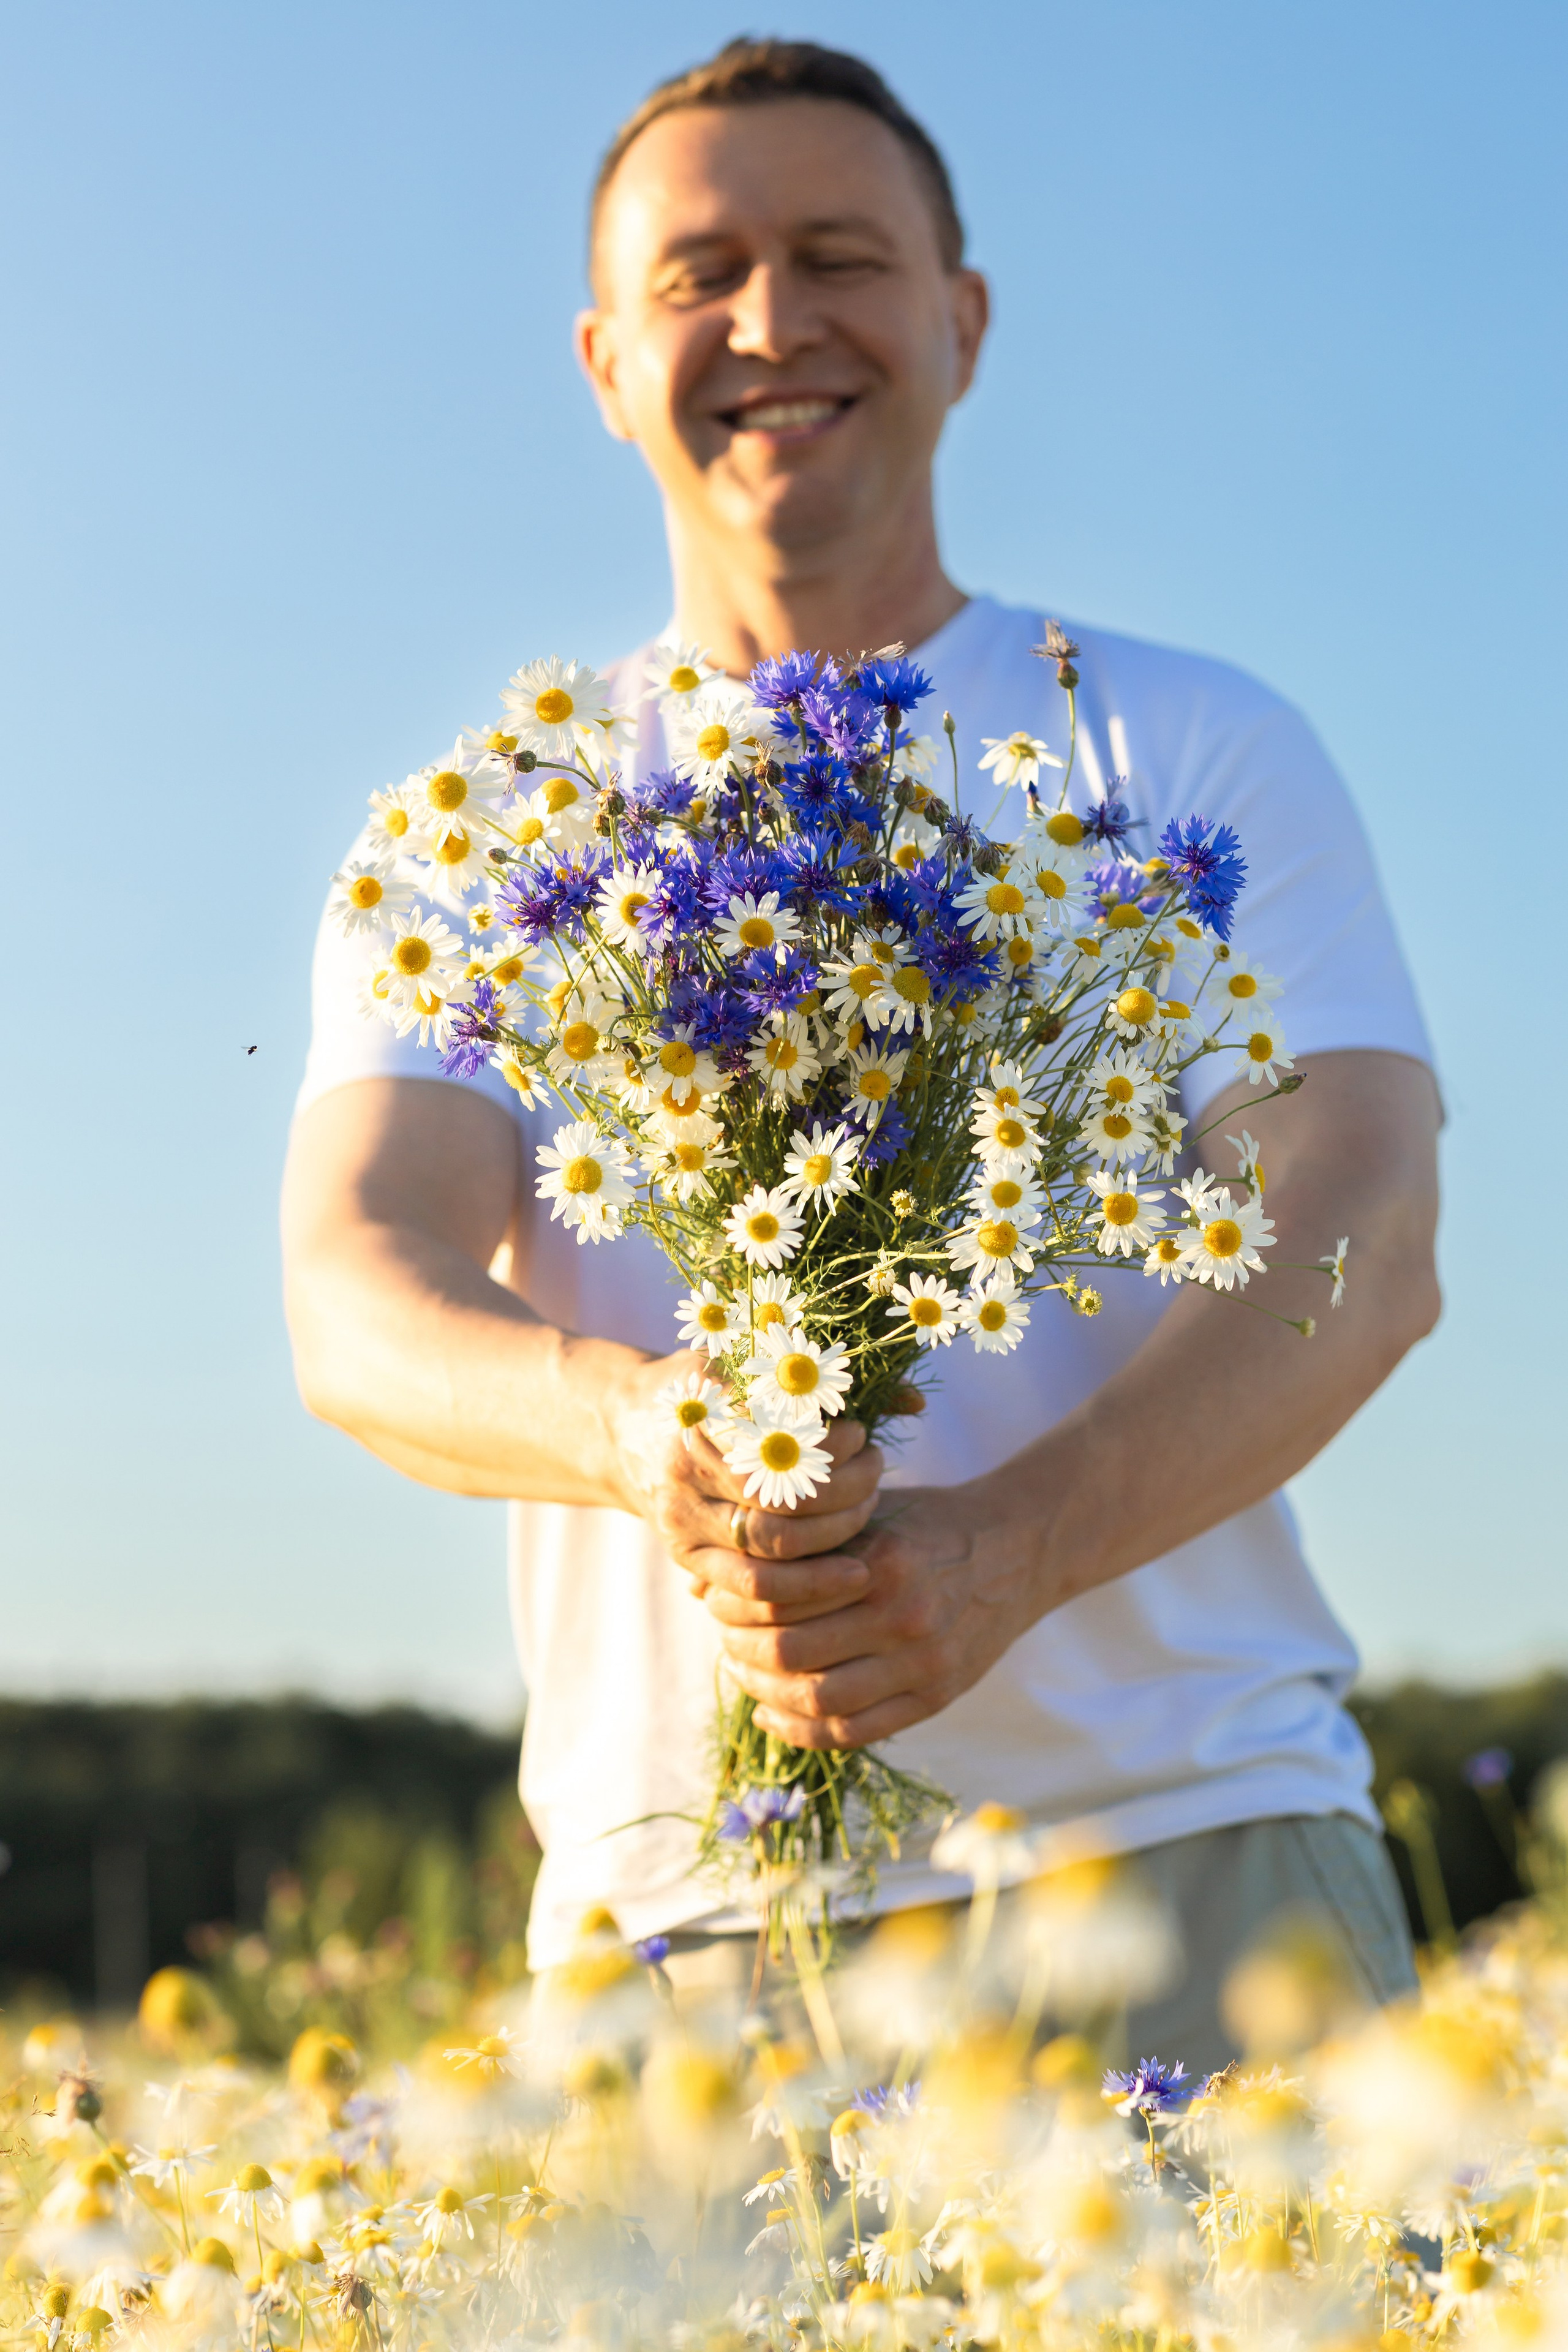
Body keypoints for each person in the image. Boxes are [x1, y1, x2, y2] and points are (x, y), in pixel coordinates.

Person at [282, 39, 1441, 2068]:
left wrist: (1014, 1547)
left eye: (840, 257)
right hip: (683, 1935)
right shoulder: (491, 829)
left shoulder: (1184, 751)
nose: (771, 322)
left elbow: (1362, 1228)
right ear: (601, 362)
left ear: (963, 321)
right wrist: (632, 1428)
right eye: (699, 274)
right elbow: (355, 1288)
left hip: (1181, 1856)